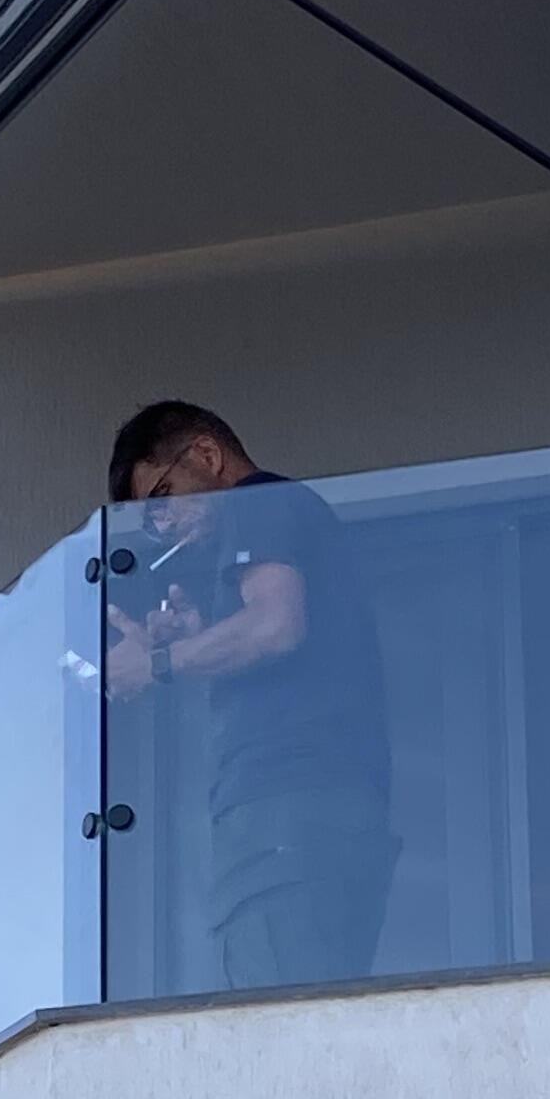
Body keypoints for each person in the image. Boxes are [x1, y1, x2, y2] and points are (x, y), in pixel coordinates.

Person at [102, 399, 395, 990]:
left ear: (207, 454)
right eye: (151, 522)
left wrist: (157, 663)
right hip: (318, 816)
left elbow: (275, 627)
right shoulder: (282, 516)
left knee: (279, 1016)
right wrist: (199, 636)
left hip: (285, 816)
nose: (164, 526)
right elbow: (275, 633)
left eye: (162, 498)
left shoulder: (260, 503)